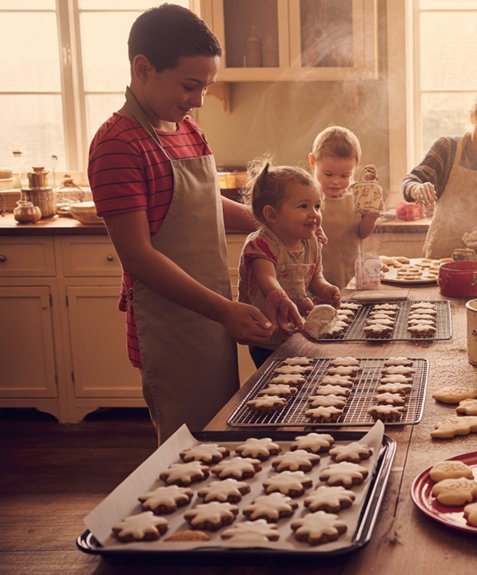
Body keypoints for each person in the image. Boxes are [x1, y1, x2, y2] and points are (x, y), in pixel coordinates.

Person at [87, 4, 273, 444]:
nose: (198, 100)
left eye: (206, 87)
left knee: (218, 437)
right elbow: (138, 257)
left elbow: (209, 204)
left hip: (210, 315)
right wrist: (223, 310)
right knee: (186, 450)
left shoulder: (187, 127)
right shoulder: (117, 145)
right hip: (169, 325)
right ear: (143, 67)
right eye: (190, 86)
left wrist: (274, 229)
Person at [401, 82, 477, 262]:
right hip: (440, 257)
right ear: (473, 116)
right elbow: (411, 180)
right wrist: (416, 189)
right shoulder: (447, 149)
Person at [238, 161, 342, 368]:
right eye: (304, 206)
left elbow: (314, 278)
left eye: (317, 206)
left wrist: (325, 288)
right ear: (272, 214)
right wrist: (279, 295)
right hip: (268, 338)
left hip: (299, 331)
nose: (314, 213)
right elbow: (266, 278)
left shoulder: (311, 241)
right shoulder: (261, 244)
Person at [308, 126, 379, 288]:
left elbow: (362, 233)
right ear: (313, 162)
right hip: (315, 281)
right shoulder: (306, 198)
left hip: (350, 277)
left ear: (356, 165)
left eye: (345, 175)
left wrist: (371, 217)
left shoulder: (357, 196)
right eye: (328, 174)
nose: (336, 181)